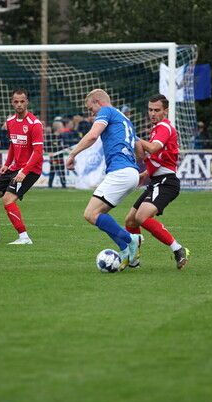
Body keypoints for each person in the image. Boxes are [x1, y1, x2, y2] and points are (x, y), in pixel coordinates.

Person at [65, 88, 143, 269]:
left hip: (120, 172)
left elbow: (93, 135)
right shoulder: (126, 120)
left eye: (90, 108)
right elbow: (139, 148)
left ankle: (131, 239)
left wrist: (73, 154)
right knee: (101, 215)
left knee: (90, 214)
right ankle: (125, 251)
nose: (90, 113)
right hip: (131, 173)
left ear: (98, 102)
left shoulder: (106, 111)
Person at [124, 95, 190, 269]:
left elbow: (152, 148)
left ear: (166, 111)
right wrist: (145, 173)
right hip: (157, 181)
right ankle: (134, 260)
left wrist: (134, 138)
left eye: (157, 110)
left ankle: (178, 249)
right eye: (150, 110)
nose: (152, 113)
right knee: (130, 220)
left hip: (166, 182)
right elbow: (158, 158)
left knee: (142, 217)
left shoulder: (164, 127)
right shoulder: (156, 130)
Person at [0, 89, 44, 245]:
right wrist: (7, 164)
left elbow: (38, 152)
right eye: (16, 101)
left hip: (31, 170)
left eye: (22, 101)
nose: (19, 104)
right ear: (12, 102)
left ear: (27, 102)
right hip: (14, 168)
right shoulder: (10, 122)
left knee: (8, 199)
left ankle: (24, 237)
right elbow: (13, 144)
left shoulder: (35, 124)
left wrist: (24, 172)